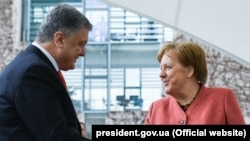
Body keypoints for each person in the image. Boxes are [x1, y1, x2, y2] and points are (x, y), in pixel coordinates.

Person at [0, 3, 93, 141]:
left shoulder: (32, 66)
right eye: (81, 44)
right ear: (59, 40)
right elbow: (57, 137)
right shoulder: (34, 73)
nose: (83, 53)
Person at [144, 42, 246, 125]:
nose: (161, 74)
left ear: (189, 71)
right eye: (161, 68)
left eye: (168, 67)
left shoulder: (223, 98)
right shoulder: (156, 108)